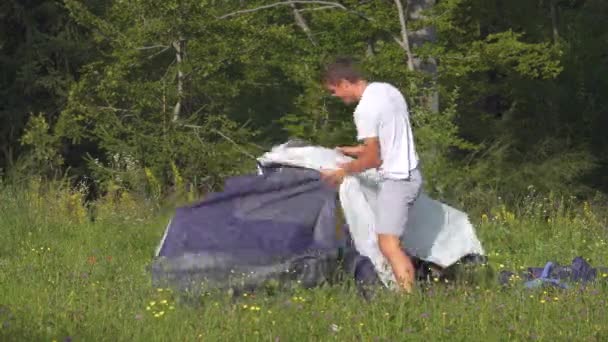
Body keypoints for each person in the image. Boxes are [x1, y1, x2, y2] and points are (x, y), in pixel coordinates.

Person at [319, 57, 423, 293]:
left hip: (397, 181)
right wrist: (355, 151)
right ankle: (409, 285)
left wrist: (343, 171)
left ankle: (409, 301)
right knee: (394, 241)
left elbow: (374, 159)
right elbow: (390, 139)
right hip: (412, 173)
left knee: (388, 244)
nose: (335, 96)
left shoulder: (363, 111)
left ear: (345, 83)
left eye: (334, 90)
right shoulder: (387, 90)